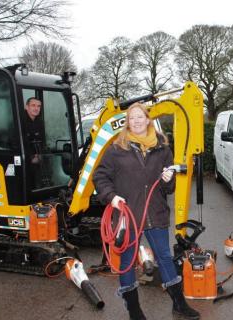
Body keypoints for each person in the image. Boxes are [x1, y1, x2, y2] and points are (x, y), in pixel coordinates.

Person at [93, 102, 200, 320]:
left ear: (148, 119)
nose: (136, 121)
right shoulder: (116, 149)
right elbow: (100, 177)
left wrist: (168, 180)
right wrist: (111, 197)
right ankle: (134, 311)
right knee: (128, 261)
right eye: (131, 118)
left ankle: (179, 304)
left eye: (139, 117)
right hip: (128, 213)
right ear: (127, 123)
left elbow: (168, 188)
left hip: (155, 212)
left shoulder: (162, 149)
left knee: (164, 257)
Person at [24, 97, 44, 165]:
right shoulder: (20, 121)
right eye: (33, 105)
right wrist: (31, 158)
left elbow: (42, 141)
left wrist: (40, 155)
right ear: (26, 107)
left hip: (37, 158)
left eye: (38, 106)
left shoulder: (39, 122)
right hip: (25, 160)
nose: (36, 108)